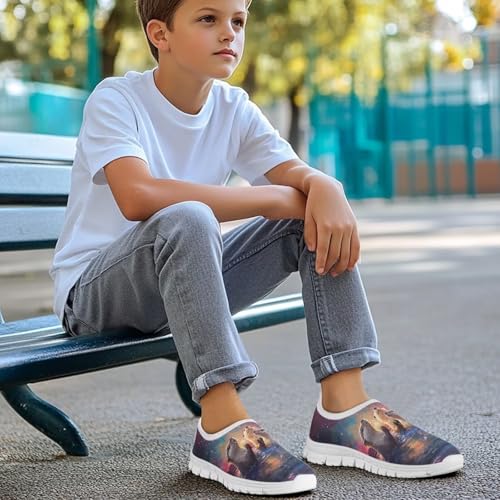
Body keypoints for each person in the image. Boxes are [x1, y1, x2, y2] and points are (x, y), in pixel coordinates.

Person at [50, 0, 464, 495]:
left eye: (238, 21)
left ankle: (344, 408)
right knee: (188, 216)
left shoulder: (233, 107)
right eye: (208, 19)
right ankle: (220, 423)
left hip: (185, 281)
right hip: (96, 296)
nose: (229, 33)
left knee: (304, 219)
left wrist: (323, 185)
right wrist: (269, 197)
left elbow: (295, 180)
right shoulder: (117, 98)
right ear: (160, 34)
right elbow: (137, 196)